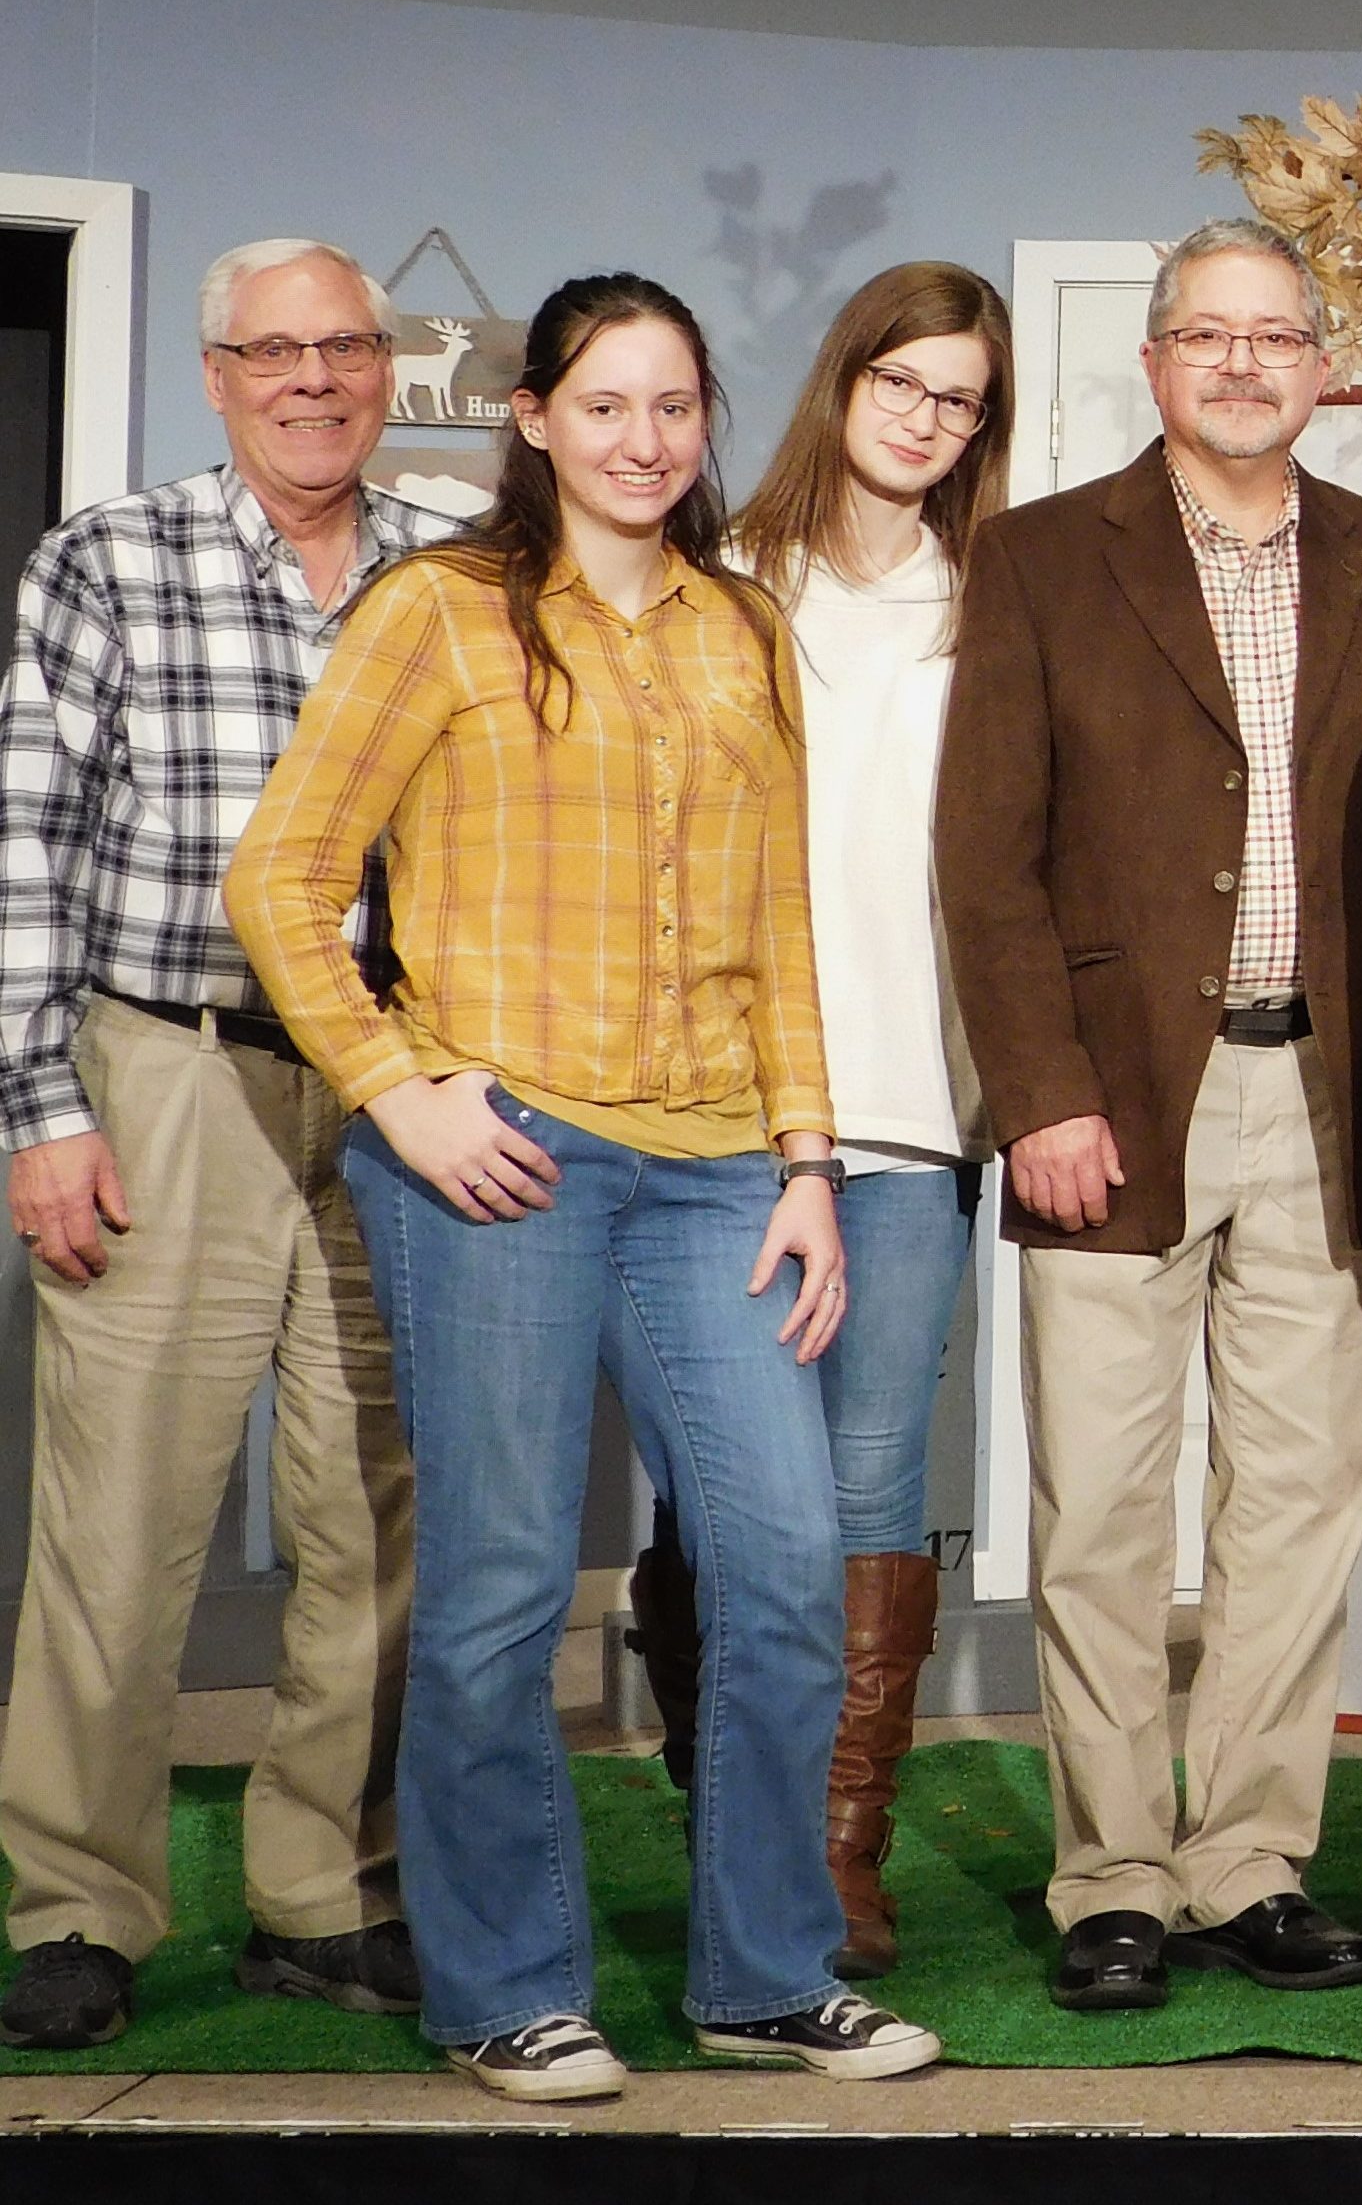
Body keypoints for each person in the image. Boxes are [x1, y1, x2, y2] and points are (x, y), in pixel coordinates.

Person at [226, 273, 936, 2097]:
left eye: (675, 405)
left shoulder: (741, 626)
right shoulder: (437, 611)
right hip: (504, 1163)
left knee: (786, 1562)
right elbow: (284, 877)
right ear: (533, 419)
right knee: (499, 1582)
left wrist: (805, 1161)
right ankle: (504, 1990)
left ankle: (764, 1976)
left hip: (719, 1172)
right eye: (606, 404)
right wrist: (400, 1090)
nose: (645, 439)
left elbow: (779, 920)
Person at [937, 216, 1362, 2013]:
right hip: (1115, 1099)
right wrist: (1040, 1094)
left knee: (1301, 1498)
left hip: (1329, 1089)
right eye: (1208, 335)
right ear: (1155, 362)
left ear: (1323, 366)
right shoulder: (1037, 558)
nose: (1243, 364)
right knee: (1097, 1502)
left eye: (1276, 336)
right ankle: (1111, 1875)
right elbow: (986, 857)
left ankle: (1248, 1861)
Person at [0, 240, 452, 2052]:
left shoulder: (450, 569)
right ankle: (78, 1905)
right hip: (167, 1068)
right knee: (119, 1522)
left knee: (376, 1510)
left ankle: (326, 1893)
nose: (313, 379)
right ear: (216, 375)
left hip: (393, 1084)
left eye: (344, 345)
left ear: (386, 368)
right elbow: (25, 840)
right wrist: (41, 1110)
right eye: (275, 351)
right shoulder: (109, 557)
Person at [671, 261, 1008, 1981]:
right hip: (723, 1110)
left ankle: (835, 1850)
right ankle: (727, 1820)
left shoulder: (993, 602)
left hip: (915, 1108)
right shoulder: (722, 579)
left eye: (961, 399)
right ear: (844, 378)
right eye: (904, 382)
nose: (927, 419)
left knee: (874, 1477)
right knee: (731, 1493)